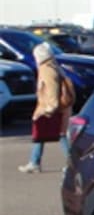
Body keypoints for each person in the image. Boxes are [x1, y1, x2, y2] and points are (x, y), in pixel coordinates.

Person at [18, 42, 71, 173]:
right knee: (41, 135)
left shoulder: (46, 69)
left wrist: (50, 108)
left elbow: (52, 89)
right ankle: (34, 162)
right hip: (55, 107)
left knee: (59, 135)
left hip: (50, 108)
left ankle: (73, 164)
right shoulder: (53, 66)